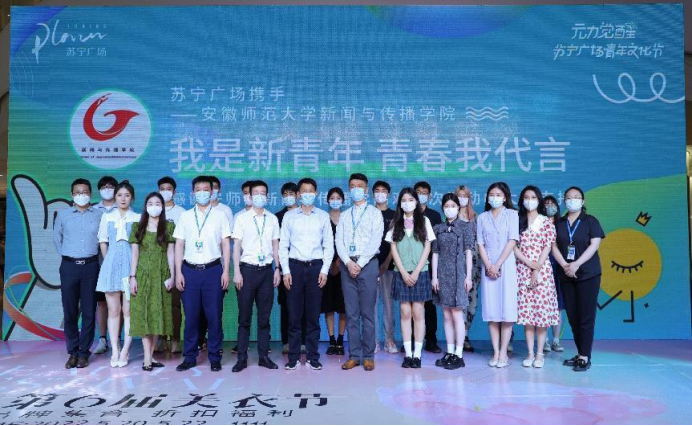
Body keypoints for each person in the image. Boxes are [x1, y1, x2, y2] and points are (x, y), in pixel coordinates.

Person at [173, 176, 232, 373]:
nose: (202, 193)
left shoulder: (220, 215)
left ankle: (215, 357)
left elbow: (226, 244)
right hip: (189, 271)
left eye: (206, 189)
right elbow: (179, 245)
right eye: (198, 189)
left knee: (214, 315)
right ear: (193, 193)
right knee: (191, 316)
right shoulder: (185, 216)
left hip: (213, 270)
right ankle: (189, 357)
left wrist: (226, 271)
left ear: (212, 192)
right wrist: (178, 272)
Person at [280, 178, 335, 370]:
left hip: (315, 268)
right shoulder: (289, 217)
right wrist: (285, 271)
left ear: (316, 193)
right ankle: (293, 357)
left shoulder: (322, 216)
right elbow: (283, 245)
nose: (307, 194)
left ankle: (313, 356)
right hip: (294, 267)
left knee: (313, 315)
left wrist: (324, 270)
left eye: (311, 191)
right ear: (298, 194)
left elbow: (328, 246)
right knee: (294, 315)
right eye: (304, 191)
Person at [552, 187, 605, 372]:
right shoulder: (559, 223)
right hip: (566, 275)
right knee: (573, 317)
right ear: (564, 201)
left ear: (582, 201)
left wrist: (576, 264)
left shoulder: (590, 221)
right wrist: (565, 265)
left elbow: (594, 245)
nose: (572, 200)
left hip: (588, 274)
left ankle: (585, 356)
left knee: (585, 317)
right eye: (568, 197)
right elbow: (553, 246)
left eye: (576, 197)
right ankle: (580, 352)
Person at [231, 180, 281, 373]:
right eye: (256, 193)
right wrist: (237, 271)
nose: (259, 196)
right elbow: (236, 247)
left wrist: (277, 269)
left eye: (263, 193)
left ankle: (263, 357)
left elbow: (275, 246)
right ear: (250, 197)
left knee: (264, 318)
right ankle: (241, 358)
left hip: (267, 271)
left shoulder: (272, 219)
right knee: (244, 318)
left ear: (267, 197)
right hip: (247, 271)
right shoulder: (242, 219)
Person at [336, 173, 384, 372]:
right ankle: (354, 356)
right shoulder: (345, 215)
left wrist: (360, 263)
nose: (356, 189)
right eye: (352, 186)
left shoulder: (375, 213)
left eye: (359, 186)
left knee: (368, 314)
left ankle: (369, 356)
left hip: (368, 265)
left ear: (366, 190)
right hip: (347, 265)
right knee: (351, 313)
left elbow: (375, 240)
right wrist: (348, 262)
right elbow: (339, 241)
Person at [53, 179, 103, 369]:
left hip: (91, 266)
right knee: (70, 310)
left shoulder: (99, 215)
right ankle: (72, 352)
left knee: (89, 311)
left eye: (85, 192)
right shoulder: (63, 215)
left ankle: (84, 352)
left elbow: (103, 240)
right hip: (69, 267)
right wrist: (69, 255)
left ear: (90, 194)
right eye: (77, 192)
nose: (81, 195)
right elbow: (56, 238)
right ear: (72, 195)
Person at [386, 188, 435, 369]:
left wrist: (416, 272)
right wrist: (403, 272)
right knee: (405, 313)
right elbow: (393, 249)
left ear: (416, 202)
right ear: (400, 203)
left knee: (418, 313)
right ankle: (408, 354)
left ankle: (417, 354)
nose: (407, 203)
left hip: (420, 273)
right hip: (401, 273)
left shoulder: (424, 221)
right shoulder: (395, 222)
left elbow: (427, 247)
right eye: (404, 200)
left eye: (410, 199)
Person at [128, 193, 175, 371]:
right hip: (142, 275)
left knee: (157, 316)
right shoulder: (137, 227)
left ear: (162, 207)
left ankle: (151, 355)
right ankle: (147, 358)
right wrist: (132, 277)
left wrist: (172, 275)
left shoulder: (169, 226)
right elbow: (134, 253)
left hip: (162, 275)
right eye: (150, 203)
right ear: (145, 206)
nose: (154, 206)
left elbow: (171, 253)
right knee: (144, 315)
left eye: (157, 203)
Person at [514, 186, 559, 369]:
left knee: (541, 314)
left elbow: (547, 246)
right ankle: (530, 353)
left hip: (542, 271)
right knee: (528, 315)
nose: (529, 200)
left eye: (533, 197)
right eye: (526, 197)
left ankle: (540, 354)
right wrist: (527, 263)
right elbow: (514, 246)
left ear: (539, 200)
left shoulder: (546, 221)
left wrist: (536, 268)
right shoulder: (518, 220)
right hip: (522, 269)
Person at [96, 181, 140, 369]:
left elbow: (138, 247)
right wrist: (108, 262)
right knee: (113, 311)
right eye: (120, 195)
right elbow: (103, 241)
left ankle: (125, 350)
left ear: (132, 198)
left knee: (128, 312)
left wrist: (134, 273)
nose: (123, 198)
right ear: (115, 197)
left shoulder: (137, 217)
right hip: (111, 267)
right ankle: (115, 349)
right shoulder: (107, 217)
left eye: (127, 195)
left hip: (130, 269)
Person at [477, 182, 519, 369]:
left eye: (498, 194)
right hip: (488, 268)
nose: (494, 198)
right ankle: (495, 352)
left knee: (507, 311)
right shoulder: (482, 217)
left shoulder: (512, 214)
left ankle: (503, 352)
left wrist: (498, 264)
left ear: (505, 197)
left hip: (506, 265)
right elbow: (480, 244)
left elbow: (512, 241)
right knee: (492, 311)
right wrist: (489, 266)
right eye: (491, 194)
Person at [432, 194, 474, 370]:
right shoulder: (438, 228)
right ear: (443, 208)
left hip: (458, 275)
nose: (450, 209)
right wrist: (434, 277)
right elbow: (435, 253)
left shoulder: (466, 226)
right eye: (446, 206)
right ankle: (449, 351)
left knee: (457, 315)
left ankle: (459, 354)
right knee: (446, 315)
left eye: (453, 206)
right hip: (442, 275)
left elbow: (468, 252)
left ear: (458, 207)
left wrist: (468, 276)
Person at [275, 182, 305, 355]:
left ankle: (304, 341)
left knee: (304, 305)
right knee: (286, 305)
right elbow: (277, 245)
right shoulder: (278, 217)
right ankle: (287, 341)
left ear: (298, 195)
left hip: (303, 266)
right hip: (284, 268)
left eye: (291, 193)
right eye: (285, 194)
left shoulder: (305, 214)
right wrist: (279, 267)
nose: (288, 197)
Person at [158, 176, 186, 354]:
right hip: (157, 263)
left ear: (174, 192)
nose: (165, 192)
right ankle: (161, 339)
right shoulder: (154, 210)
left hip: (176, 263)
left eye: (168, 189)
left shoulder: (182, 213)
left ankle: (175, 339)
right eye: (162, 189)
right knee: (158, 303)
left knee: (175, 304)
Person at [414, 181, 442, 354]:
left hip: (430, 265)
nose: (421, 195)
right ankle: (411, 340)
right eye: (418, 192)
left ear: (429, 196)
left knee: (430, 305)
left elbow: (437, 242)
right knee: (412, 303)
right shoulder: (407, 214)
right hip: (411, 264)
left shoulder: (434, 215)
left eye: (424, 192)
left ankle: (431, 340)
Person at [93, 175, 118, 356]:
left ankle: (117, 339)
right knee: (101, 302)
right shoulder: (94, 210)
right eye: (104, 187)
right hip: (98, 261)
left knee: (119, 302)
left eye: (111, 187)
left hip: (119, 260)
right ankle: (103, 339)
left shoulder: (124, 207)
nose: (107, 190)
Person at [456, 185, 481, 353]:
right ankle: (459, 337)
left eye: (465, 196)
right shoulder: (451, 215)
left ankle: (466, 333)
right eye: (459, 195)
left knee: (472, 302)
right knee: (459, 302)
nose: (462, 199)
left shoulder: (476, 217)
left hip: (474, 265)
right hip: (457, 265)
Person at [373, 181, 398, 355]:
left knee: (388, 304)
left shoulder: (395, 215)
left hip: (388, 266)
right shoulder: (368, 212)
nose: (380, 194)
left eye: (383, 191)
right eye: (377, 191)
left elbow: (395, 240)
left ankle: (389, 340)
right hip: (369, 266)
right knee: (371, 304)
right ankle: (373, 340)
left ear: (388, 194)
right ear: (372, 194)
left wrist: (387, 261)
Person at [323, 188, 347, 356]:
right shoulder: (323, 218)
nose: (335, 201)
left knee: (343, 306)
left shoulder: (347, 218)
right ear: (327, 201)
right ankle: (331, 339)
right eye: (332, 198)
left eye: (338, 198)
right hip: (326, 268)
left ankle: (340, 340)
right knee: (328, 305)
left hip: (345, 267)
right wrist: (330, 264)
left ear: (343, 201)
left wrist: (339, 262)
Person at [543, 195, 566, 353]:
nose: (549, 206)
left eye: (552, 204)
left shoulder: (562, 224)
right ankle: (544, 340)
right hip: (543, 267)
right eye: (546, 204)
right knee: (543, 304)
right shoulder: (538, 223)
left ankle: (556, 340)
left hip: (559, 268)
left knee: (558, 306)